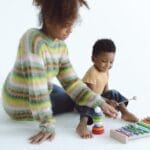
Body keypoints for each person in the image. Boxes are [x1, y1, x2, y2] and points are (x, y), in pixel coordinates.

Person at [2, 0, 118, 144]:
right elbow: (37, 89)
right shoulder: (33, 41)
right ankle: (87, 110)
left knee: (74, 92)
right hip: (19, 102)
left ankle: (96, 103)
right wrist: (47, 125)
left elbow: (72, 82)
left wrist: (99, 101)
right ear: (49, 19)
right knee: (72, 99)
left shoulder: (60, 46)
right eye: (66, 25)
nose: (70, 30)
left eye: (72, 25)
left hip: (39, 88)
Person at [76, 39, 139, 138]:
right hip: (86, 99)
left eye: (111, 62)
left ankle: (124, 112)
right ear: (93, 59)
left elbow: (106, 91)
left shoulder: (105, 71)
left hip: (99, 99)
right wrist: (107, 102)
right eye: (104, 61)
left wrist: (110, 101)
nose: (108, 65)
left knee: (113, 93)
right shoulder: (92, 73)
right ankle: (82, 124)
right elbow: (91, 95)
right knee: (88, 102)